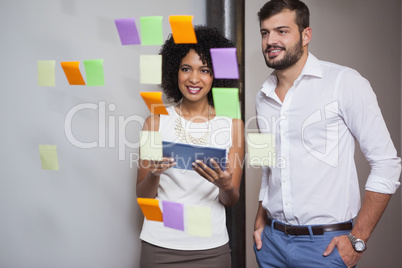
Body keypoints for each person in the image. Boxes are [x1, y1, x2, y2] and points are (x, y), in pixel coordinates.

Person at [252, 0, 401, 267]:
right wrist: (260, 220)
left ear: (306, 35)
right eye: (265, 32)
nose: (270, 40)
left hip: (325, 246)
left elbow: (387, 164)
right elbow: (268, 166)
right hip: (271, 244)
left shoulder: (344, 83)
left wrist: (359, 239)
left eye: (281, 31)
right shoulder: (262, 96)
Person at [136, 25, 244, 268]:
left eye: (204, 70)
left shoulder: (233, 125)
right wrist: (154, 173)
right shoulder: (155, 122)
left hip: (212, 250)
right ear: (175, 71)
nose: (194, 78)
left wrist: (225, 185)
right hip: (159, 247)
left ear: (215, 76)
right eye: (186, 68)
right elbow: (142, 196)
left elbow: (230, 199)